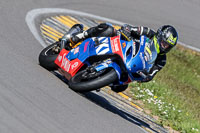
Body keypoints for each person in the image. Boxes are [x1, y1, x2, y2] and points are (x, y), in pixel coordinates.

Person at [61, 23, 178, 83]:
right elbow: (131, 29)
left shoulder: (162, 60)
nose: (164, 47)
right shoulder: (149, 33)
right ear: (159, 36)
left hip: (129, 65)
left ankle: (96, 77)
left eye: (168, 46)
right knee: (108, 29)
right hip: (122, 46)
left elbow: (152, 74)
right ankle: (79, 37)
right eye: (164, 43)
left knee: (121, 87)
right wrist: (127, 30)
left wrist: (146, 77)